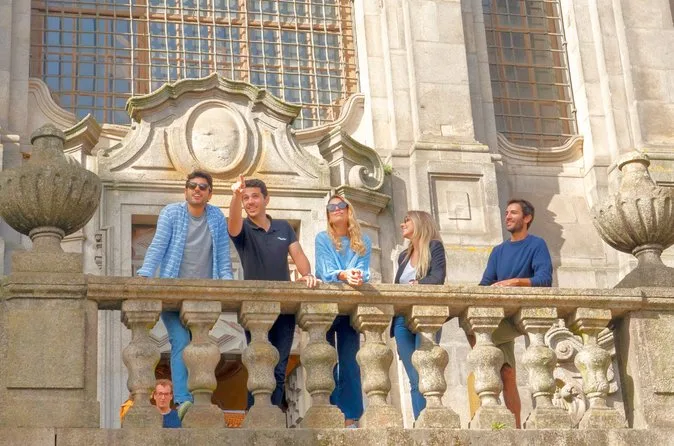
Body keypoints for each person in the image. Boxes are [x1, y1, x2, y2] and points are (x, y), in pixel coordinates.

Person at [137, 171, 233, 419]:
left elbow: (223, 256)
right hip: (172, 292)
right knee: (180, 341)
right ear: (186, 190)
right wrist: (145, 274)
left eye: (203, 187)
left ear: (210, 193)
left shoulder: (216, 217)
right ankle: (182, 400)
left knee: (199, 345)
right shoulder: (172, 213)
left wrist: (229, 285)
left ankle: (199, 396)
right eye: (192, 186)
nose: (197, 190)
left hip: (203, 297)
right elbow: (158, 246)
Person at [228, 175, 319, 410]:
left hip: (284, 309)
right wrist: (235, 196)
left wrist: (307, 274)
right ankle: (255, 417)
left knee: (279, 368)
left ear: (266, 199)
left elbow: (299, 257)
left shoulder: (284, 227)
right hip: (255, 309)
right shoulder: (244, 228)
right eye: (245, 198)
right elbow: (233, 225)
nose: (250, 202)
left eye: (254, 196)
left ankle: (274, 417)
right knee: (259, 365)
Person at [476, 198, 553, 428]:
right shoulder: (498, 251)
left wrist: (515, 282)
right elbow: (485, 284)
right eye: (506, 213)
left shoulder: (537, 244)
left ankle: (486, 362)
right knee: (507, 373)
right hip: (499, 317)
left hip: (521, 316)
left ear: (527, 218)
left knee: (480, 340)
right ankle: (516, 427)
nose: (507, 216)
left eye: (513, 213)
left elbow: (544, 280)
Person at [315, 195, 371, 428]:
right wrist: (344, 274)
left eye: (341, 206)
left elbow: (363, 270)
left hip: (349, 306)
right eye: (332, 207)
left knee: (350, 362)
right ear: (328, 214)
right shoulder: (322, 238)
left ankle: (351, 417)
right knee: (326, 361)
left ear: (349, 210)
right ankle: (330, 412)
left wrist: (356, 275)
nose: (336, 209)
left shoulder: (363, 241)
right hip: (325, 306)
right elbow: (324, 270)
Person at [391, 210, 447, 422]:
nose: (402, 224)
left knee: (426, 372)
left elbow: (438, 277)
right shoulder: (403, 256)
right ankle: (420, 422)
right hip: (401, 319)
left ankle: (429, 421)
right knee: (414, 377)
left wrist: (418, 284)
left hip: (426, 316)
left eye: (407, 220)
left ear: (420, 223)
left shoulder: (434, 247)